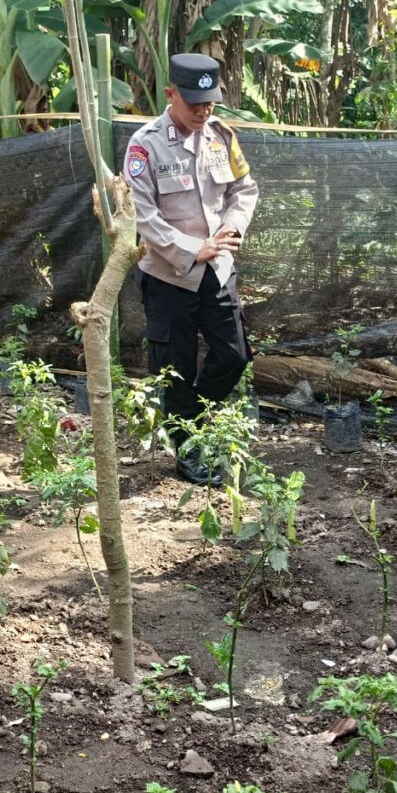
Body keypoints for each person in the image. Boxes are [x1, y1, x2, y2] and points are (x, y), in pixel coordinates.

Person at [123, 53, 259, 485]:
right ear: (170, 94)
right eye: (195, 102)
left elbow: (244, 189)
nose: (204, 111)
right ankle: (187, 452)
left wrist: (232, 230)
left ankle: (192, 424)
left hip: (218, 269)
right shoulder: (145, 145)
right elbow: (141, 214)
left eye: (211, 102)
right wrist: (189, 248)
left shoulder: (222, 136)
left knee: (235, 356)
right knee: (175, 368)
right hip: (168, 276)